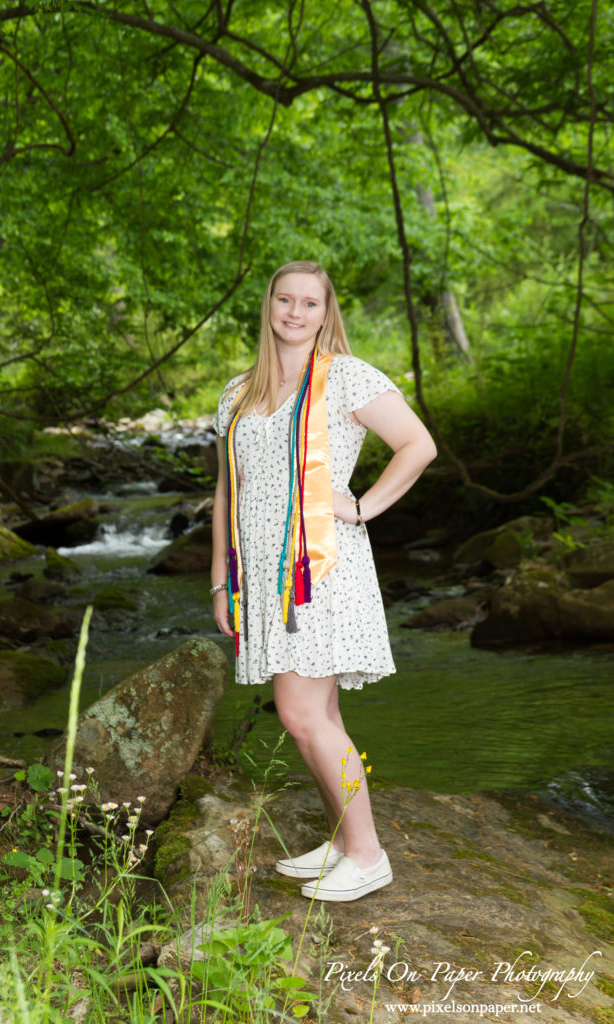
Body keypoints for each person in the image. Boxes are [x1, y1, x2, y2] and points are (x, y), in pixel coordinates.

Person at [211, 260, 436, 902]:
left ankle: (368, 855)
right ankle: (342, 840)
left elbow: (417, 444)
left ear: (325, 311)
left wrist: (363, 505)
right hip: (260, 573)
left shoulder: (345, 377)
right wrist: (221, 580)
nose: (295, 312)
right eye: (285, 299)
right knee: (322, 711)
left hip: (321, 570)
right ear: (270, 305)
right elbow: (230, 488)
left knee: (300, 712)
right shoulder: (237, 393)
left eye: (310, 303)